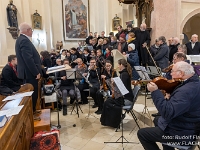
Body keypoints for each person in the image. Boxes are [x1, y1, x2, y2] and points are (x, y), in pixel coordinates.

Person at [137, 61, 200, 150]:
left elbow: (167, 113)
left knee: (142, 134)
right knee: (157, 120)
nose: (170, 74)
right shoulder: (194, 82)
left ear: (181, 73)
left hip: (182, 134)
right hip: (189, 124)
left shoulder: (185, 91)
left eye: (172, 71)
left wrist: (155, 92)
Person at [15, 22, 42, 121]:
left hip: (27, 72)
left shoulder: (20, 39)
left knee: (31, 93)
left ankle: (33, 111)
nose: (32, 32)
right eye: (31, 30)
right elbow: (28, 58)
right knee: (32, 93)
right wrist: (36, 72)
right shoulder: (24, 40)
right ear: (27, 30)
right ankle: (32, 114)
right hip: (30, 73)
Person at [100, 59, 133, 128]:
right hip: (124, 96)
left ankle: (113, 122)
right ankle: (109, 121)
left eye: (119, 64)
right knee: (108, 101)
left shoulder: (124, 75)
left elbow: (122, 89)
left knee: (108, 102)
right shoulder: (123, 73)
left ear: (121, 65)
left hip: (126, 99)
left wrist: (114, 89)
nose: (118, 66)